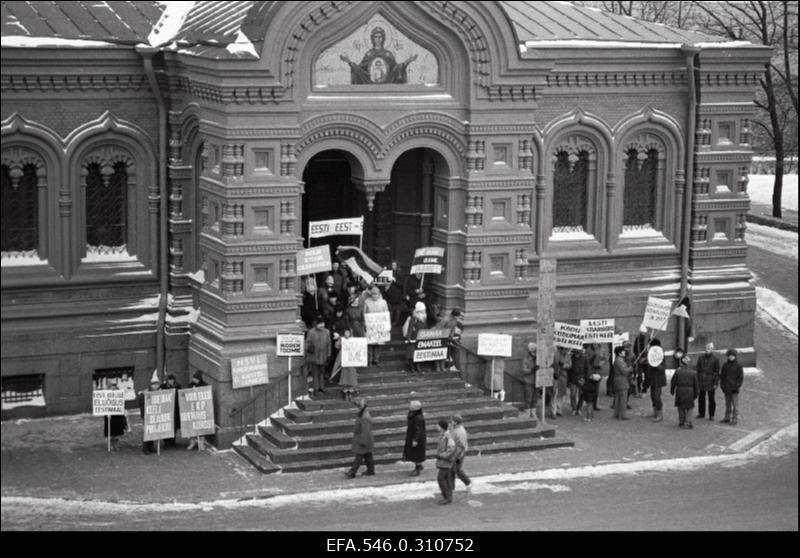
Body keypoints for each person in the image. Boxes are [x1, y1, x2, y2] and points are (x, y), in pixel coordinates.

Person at [339, 27, 418, 85]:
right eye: (376, 37)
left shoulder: (388, 54)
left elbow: (395, 70)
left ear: (383, 38)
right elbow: (361, 71)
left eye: (380, 37)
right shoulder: (369, 54)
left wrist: (407, 62)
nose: (378, 39)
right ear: (372, 39)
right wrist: (349, 62)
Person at [345, 398, 375, 478]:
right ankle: (370, 470)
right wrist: (352, 400)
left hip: (363, 438)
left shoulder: (365, 417)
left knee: (359, 456)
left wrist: (364, 441)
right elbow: (358, 405)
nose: (359, 406)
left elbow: (366, 431)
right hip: (364, 438)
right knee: (368, 455)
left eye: (361, 404)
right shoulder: (363, 412)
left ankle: (352, 472)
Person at [670, 351, 699, 429]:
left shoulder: (678, 371)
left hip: (680, 390)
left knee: (680, 407)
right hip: (690, 391)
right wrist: (696, 393)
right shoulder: (692, 372)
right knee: (690, 408)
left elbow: (673, 382)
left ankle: (681, 421)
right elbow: (696, 384)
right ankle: (688, 422)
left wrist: (672, 390)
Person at [363, 285, 389, 366]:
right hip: (370, 326)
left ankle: (376, 359)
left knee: (379, 344)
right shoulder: (367, 302)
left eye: (376, 294)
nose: (374, 296)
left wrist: (386, 325)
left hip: (380, 326)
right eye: (373, 294)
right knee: (370, 343)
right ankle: (369, 360)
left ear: (379, 294)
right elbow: (364, 313)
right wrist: (365, 323)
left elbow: (386, 313)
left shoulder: (383, 302)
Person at [306, 317, 332, 394]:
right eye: (319, 324)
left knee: (322, 372)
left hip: (323, 355)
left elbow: (329, 344)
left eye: (322, 323)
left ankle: (322, 387)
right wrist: (309, 347)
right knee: (315, 373)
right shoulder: (311, 332)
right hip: (314, 355)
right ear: (316, 324)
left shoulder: (327, 332)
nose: (321, 325)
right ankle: (316, 388)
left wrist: (329, 354)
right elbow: (308, 342)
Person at [695, 342, 721, 420]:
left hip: (711, 381)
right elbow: (698, 370)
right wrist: (697, 380)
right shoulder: (701, 358)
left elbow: (717, 372)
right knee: (701, 398)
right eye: (706, 348)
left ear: (712, 350)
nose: (707, 350)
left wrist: (716, 383)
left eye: (709, 349)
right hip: (702, 380)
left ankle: (711, 414)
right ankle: (701, 413)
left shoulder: (716, 359)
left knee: (711, 399)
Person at [644, 338, 667, 422]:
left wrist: (656, 364)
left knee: (657, 397)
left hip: (659, 379)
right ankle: (655, 412)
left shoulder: (660, 354)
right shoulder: (651, 353)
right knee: (652, 396)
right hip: (653, 379)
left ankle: (660, 415)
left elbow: (662, 367)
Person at [434, 419, 456, 505]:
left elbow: (451, 450)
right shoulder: (443, 435)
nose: (436, 426)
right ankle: (448, 496)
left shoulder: (448, 437)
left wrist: (441, 456)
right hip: (444, 461)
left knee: (441, 478)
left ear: (441, 427)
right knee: (446, 479)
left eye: (438, 425)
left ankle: (447, 497)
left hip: (446, 461)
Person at [333, 329, 358, 401]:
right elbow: (336, 346)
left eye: (348, 332)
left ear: (350, 333)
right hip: (344, 361)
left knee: (352, 376)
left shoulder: (353, 339)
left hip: (352, 361)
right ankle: (345, 392)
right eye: (345, 332)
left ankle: (350, 391)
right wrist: (340, 340)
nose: (347, 334)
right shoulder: (342, 339)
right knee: (344, 376)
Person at [186, 371, 209, 450]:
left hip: (201, 409)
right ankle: (192, 442)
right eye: (193, 378)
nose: (194, 380)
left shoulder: (205, 385)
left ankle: (201, 443)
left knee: (201, 426)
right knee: (192, 427)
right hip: (192, 409)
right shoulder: (190, 385)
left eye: (196, 379)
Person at [402, 400, 426, 476]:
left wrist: (415, 439)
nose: (409, 406)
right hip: (412, 435)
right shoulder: (414, 415)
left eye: (411, 405)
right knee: (415, 453)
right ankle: (419, 465)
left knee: (416, 454)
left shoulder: (418, 418)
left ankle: (417, 468)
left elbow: (418, 430)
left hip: (416, 438)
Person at [720, 349, 744, 425]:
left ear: (735, 356)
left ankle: (735, 418)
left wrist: (736, 386)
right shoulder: (725, 365)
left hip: (734, 389)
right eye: (729, 356)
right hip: (726, 388)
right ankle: (727, 417)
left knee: (735, 405)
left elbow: (740, 379)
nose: (731, 357)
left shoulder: (738, 366)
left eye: (732, 356)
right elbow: (722, 376)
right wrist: (722, 386)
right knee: (727, 404)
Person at [137, 378, 161, 455]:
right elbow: (141, 403)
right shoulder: (145, 393)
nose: (156, 386)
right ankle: (145, 448)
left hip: (154, 414)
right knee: (147, 431)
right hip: (147, 414)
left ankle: (151, 447)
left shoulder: (158, 392)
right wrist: (145, 413)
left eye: (157, 384)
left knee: (152, 430)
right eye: (154, 384)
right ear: (151, 385)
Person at [449, 413, 472, 492]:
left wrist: (458, 456)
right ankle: (451, 487)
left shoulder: (460, 432)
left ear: (455, 422)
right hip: (455, 452)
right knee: (452, 470)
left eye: (452, 421)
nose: (450, 422)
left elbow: (461, 446)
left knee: (457, 470)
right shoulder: (455, 429)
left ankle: (468, 482)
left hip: (458, 453)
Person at [103, 380, 127, 452]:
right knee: (110, 431)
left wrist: (124, 410)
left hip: (118, 415)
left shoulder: (119, 393)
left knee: (117, 431)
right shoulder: (105, 394)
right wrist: (106, 413)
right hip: (109, 415)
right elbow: (102, 404)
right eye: (112, 386)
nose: (113, 387)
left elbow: (123, 402)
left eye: (114, 385)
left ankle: (116, 444)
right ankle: (110, 445)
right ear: (109, 387)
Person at [404, 301, 428, 375]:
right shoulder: (414, 318)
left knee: (419, 353)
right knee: (411, 353)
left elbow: (425, 327)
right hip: (414, 338)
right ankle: (412, 367)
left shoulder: (424, 318)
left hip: (421, 337)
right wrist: (409, 338)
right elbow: (410, 328)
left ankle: (418, 366)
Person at [159, 373, 182, 448]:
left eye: (172, 380)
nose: (171, 381)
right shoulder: (162, 387)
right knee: (166, 425)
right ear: (167, 380)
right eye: (169, 380)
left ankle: (172, 441)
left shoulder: (178, 386)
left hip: (175, 409)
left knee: (173, 426)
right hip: (166, 409)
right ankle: (166, 441)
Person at [612, 346, 632, 420]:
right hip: (621, 381)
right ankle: (622, 415)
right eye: (623, 351)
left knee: (617, 398)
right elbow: (624, 371)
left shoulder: (618, 360)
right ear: (619, 353)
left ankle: (616, 414)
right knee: (623, 399)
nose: (625, 352)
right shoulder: (620, 361)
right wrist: (630, 369)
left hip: (618, 380)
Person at [567, 347, 587, 415]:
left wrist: (585, 378)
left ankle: (579, 408)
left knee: (581, 394)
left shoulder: (584, 358)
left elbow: (587, 368)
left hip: (581, 378)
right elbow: (568, 370)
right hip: (573, 378)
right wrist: (568, 380)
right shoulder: (570, 357)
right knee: (573, 394)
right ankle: (574, 408)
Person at [521, 342, 538, 416]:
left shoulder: (537, 359)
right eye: (533, 351)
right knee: (528, 399)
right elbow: (524, 370)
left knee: (535, 399)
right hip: (528, 382)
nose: (534, 353)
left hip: (537, 381)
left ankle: (533, 413)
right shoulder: (525, 359)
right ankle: (527, 413)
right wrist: (532, 369)